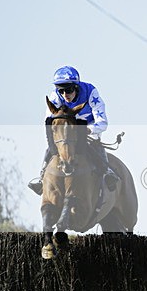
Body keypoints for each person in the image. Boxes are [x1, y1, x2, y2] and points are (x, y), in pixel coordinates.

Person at [27, 66, 118, 195]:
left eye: (68, 90)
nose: (65, 95)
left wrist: (87, 130)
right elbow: (49, 121)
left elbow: (102, 122)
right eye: (61, 90)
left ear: (76, 87)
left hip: (88, 127)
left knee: (94, 143)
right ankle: (42, 178)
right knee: (55, 146)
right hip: (66, 130)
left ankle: (107, 172)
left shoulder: (90, 92)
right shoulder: (55, 97)